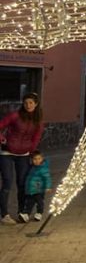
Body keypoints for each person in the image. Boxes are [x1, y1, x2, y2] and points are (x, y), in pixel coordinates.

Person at [0, 92, 44, 225]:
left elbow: (36, 138)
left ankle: (22, 212)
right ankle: (4, 214)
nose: (28, 105)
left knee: (22, 184)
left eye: (31, 102)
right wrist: (2, 139)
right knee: (7, 183)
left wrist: (32, 152)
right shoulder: (15, 116)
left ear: (36, 104)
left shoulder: (38, 121)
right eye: (25, 103)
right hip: (7, 153)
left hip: (24, 155)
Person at [19, 150, 51, 223]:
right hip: (31, 190)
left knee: (39, 202)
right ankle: (26, 214)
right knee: (29, 203)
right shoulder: (32, 168)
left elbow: (47, 177)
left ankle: (39, 213)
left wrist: (48, 186)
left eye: (39, 159)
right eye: (35, 159)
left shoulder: (43, 168)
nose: (37, 161)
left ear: (42, 159)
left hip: (39, 189)